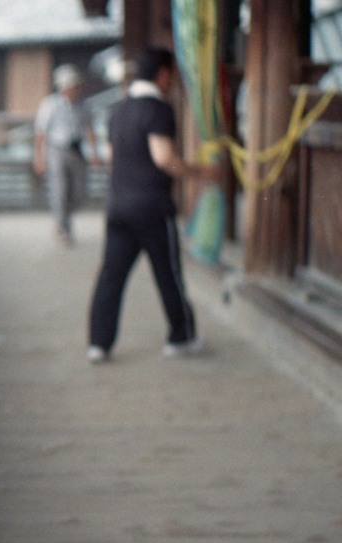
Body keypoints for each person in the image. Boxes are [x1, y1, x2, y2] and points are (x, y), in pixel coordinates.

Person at [85, 47, 220, 364]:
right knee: (169, 274)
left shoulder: (118, 109)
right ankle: (181, 337)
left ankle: (98, 343)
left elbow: (110, 159)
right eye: (171, 75)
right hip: (153, 208)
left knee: (110, 276)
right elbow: (163, 158)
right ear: (162, 74)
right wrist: (200, 172)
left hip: (118, 207)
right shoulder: (158, 109)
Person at [34, 64, 98, 246]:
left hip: (77, 151)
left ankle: (63, 220)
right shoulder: (50, 104)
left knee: (78, 193)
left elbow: (90, 129)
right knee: (60, 190)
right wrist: (39, 158)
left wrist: (94, 153)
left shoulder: (84, 106)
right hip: (57, 151)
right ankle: (64, 227)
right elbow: (41, 132)